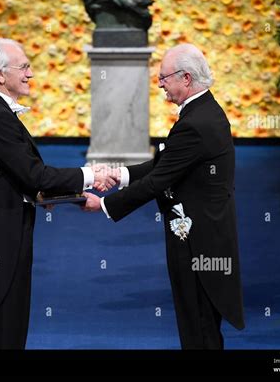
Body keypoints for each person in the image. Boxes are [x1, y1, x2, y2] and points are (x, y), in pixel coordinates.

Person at [83, 44, 245, 349]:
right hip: (206, 237)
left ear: (185, 78)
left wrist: (104, 204)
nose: (159, 84)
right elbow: (169, 161)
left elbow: (159, 180)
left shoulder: (196, 123)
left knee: (198, 326)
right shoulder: (204, 110)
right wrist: (122, 175)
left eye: (163, 77)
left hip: (199, 245)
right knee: (201, 324)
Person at [0, 38, 116, 349]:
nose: (30, 74)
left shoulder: (1, 112)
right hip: (1, 235)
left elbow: (25, 179)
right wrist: (90, 176)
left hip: (11, 227)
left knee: (13, 325)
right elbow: (35, 175)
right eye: (23, 67)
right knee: (7, 328)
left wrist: (71, 195)